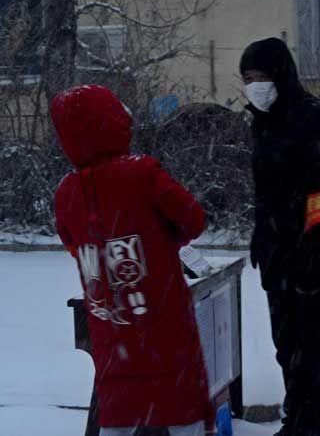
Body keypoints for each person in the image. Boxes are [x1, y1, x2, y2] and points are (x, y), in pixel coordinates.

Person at [52, 85, 212, 436]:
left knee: (120, 412)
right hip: (162, 323)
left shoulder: (66, 192)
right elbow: (192, 218)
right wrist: (163, 242)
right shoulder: (142, 174)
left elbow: (72, 243)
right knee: (182, 412)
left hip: (111, 328)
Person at [239, 37, 320, 436]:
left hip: (314, 259)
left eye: (261, 76)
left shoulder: (318, 120)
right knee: (288, 349)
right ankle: (299, 422)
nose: (255, 86)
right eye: (247, 79)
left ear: (280, 74)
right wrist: (262, 237)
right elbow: (267, 193)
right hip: (278, 257)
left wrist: (315, 247)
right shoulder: (263, 123)